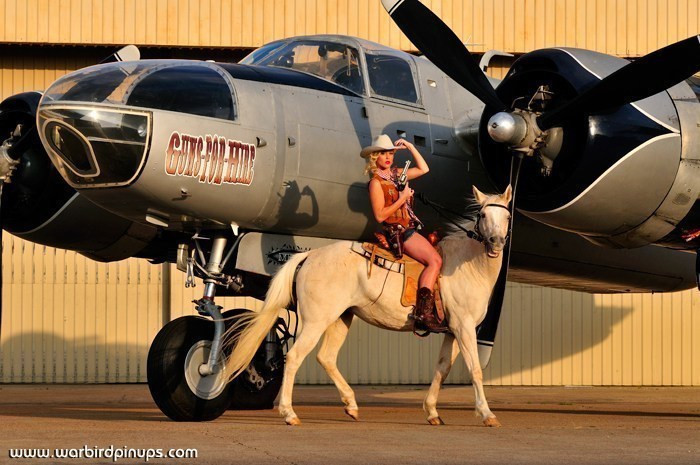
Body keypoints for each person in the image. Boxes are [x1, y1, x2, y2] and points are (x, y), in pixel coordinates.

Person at [361, 134, 444, 332]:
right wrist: (403, 197)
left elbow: (424, 168)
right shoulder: (376, 183)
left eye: (390, 153)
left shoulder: (399, 174)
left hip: (409, 228)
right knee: (435, 261)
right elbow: (380, 216)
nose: (388, 157)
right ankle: (423, 313)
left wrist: (409, 146)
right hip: (398, 232)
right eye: (383, 154)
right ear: (375, 158)